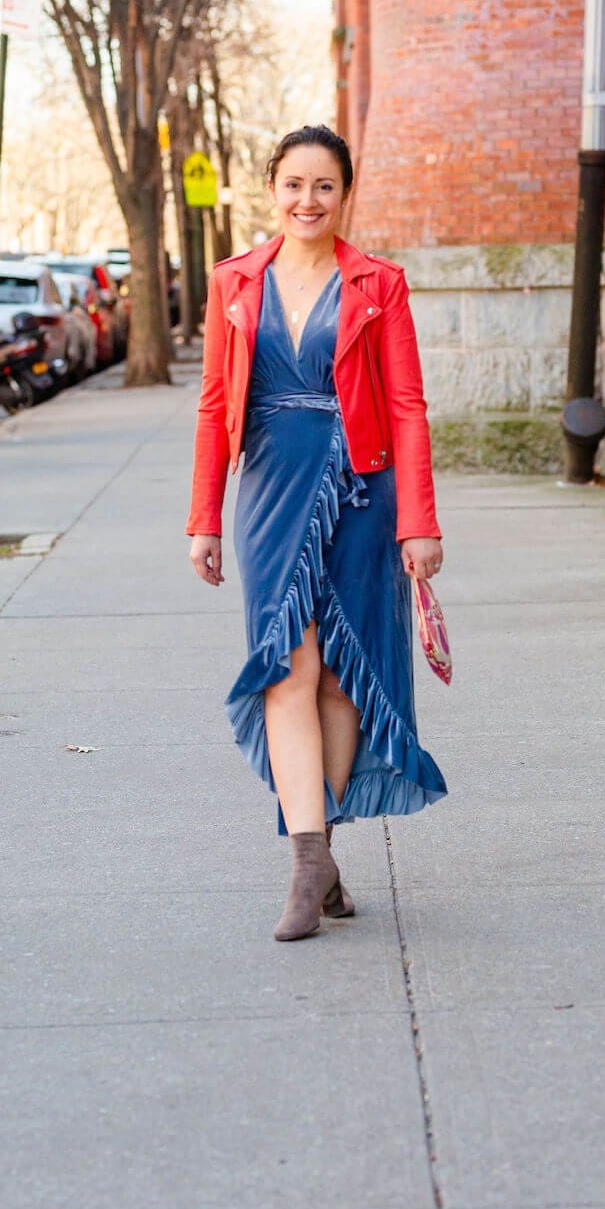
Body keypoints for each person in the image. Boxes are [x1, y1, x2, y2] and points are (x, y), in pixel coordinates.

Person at [186, 124, 448, 941]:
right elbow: (212, 406)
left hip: (362, 493)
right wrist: (203, 520)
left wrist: (420, 523)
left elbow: (407, 406)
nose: (308, 201)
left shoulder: (379, 284)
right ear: (273, 190)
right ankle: (308, 866)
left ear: (344, 194)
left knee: (341, 677)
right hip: (268, 488)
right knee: (286, 669)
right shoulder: (235, 281)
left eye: (324, 186)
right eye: (294, 185)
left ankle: (320, 850)